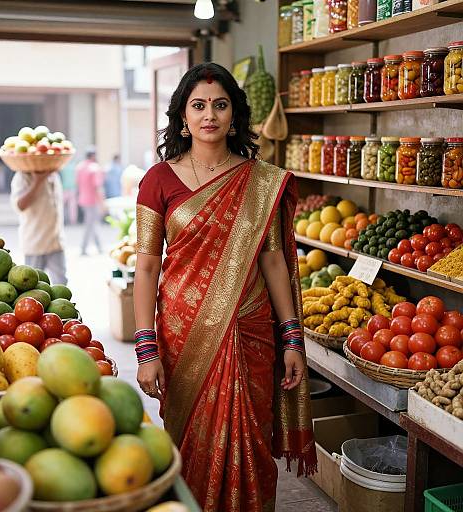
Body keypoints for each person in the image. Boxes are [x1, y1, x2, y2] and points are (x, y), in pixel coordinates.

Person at [133, 63, 317, 512]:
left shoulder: (259, 181)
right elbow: (147, 266)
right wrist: (146, 349)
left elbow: (274, 261)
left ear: (234, 115)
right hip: (183, 334)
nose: (209, 114)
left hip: (250, 333)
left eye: (220, 104)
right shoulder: (158, 180)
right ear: (182, 116)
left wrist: (291, 337)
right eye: (198, 105)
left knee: (251, 441)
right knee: (192, 439)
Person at [10, 171, 67, 284]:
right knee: (32, 284)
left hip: (56, 240)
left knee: (61, 283)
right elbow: (20, 205)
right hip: (34, 243)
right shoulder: (22, 176)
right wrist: (37, 182)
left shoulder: (53, 175)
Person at [76, 147, 104, 255]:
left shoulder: (80, 167)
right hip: (93, 201)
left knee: (91, 224)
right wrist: (102, 203)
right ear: (93, 156)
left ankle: (98, 246)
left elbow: (77, 183)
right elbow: (98, 187)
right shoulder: (94, 168)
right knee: (90, 225)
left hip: (83, 199)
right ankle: (84, 248)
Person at [60, 160, 78, 225]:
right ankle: (73, 221)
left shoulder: (62, 167)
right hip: (72, 188)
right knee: (72, 206)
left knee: (62, 205)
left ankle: (63, 219)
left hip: (64, 188)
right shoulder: (74, 167)